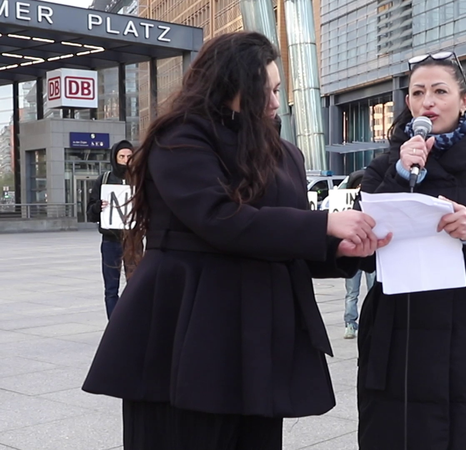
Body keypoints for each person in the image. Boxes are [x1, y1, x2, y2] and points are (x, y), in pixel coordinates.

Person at [82, 32, 387, 450]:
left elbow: (281, 238)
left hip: (260, 334)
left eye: (279, 90)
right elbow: (219, 219)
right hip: (188, 326)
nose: (277, 102)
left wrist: (338, 251)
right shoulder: (181, 138)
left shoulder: (285, 153)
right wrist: (324, 226)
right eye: (268, 90)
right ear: (231, 85)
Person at [355, 51, 466, 450]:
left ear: (465, 100)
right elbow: (354, 249)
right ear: (408, 104)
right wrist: (399, 177)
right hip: (396, 353)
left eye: (440, 91)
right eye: (418, 93)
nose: (428, 102)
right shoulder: (385, 168)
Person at [86, 140, 134, 319]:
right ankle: (114, 325)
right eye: (122, 156)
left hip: (133, 241)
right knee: (111, 288)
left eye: (129, 157)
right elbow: (90, 213)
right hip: (111, 240)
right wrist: (98, 207)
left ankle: (131, 322)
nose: (125, 160)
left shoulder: (140, 177)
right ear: (115, 158)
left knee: (136, 285)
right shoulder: (104, 179)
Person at [343, 169, 377, 339]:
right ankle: (350, 323)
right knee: (352, 292)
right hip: (356, 251)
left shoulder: (370, 200)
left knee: (372, 290)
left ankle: (369, 320)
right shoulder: (359, 202)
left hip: (369, 250)